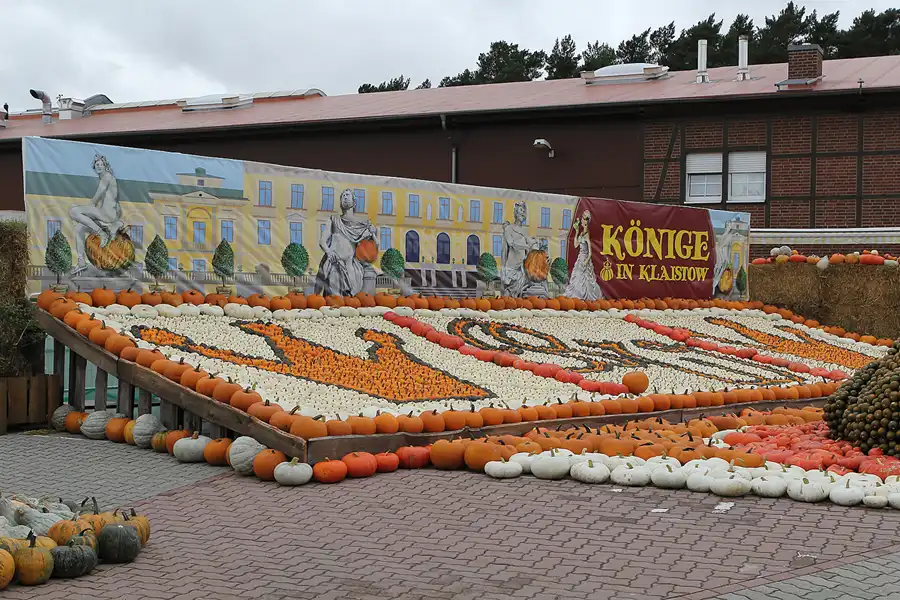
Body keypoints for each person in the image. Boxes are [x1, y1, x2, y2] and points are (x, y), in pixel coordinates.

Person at [314, 189, 377, 296]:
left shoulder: (361, 224)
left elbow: (372, 247)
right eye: (342, 196)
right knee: (334, 300)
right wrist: (329, 252)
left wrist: (373, 233)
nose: (345, 197)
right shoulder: (334, 219)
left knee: (352, 299)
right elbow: (322, 241)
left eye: (347, 195)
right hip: (334, 262)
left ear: (354, 202)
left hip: (350, 265)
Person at [70, 154, 124, 269]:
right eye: (97, 164)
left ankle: (101, 232)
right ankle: (81, 262)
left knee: (73, 212)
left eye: (101, 164)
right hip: (105, 215)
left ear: (105, 166)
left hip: (106, 215)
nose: (99, 166)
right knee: (79, 229)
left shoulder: (107, 177)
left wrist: (82, 208)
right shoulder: (106, 178)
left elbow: (97, 197)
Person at [500, 200, 545, 298]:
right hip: (512, 266)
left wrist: (538, 247)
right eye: (520, 210)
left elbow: (531, 243)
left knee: (520, 293)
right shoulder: (509, 228)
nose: (523, 213)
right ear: (516, 212)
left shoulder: (524, 230)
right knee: (509, 291)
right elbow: (512, 244)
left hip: (522, 266)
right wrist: (526, 246)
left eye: (524, 211)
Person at [564, 211, 603, 301]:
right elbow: (575, 245)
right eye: (583, 218)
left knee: (586, 279)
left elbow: (590, 252)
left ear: (588, 222)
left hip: (584, 259)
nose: (583, 221)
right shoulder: (582, 234)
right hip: (579, 258)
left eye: (585, 219)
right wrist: (577, 231)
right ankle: (577, 295)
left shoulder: (586, 235)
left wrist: (586, 261)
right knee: (577, 277)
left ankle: (585, 297)